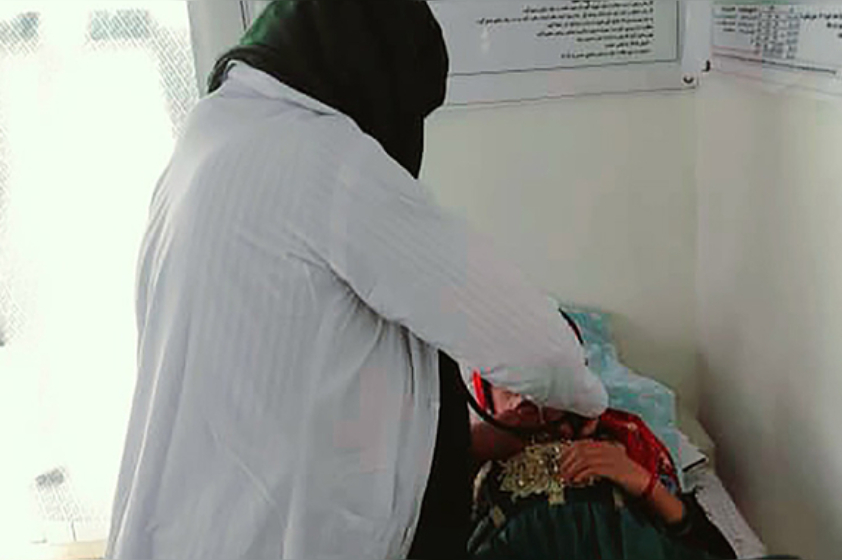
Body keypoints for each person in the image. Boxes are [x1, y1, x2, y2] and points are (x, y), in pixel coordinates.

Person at [105, 2, 607, 559]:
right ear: (379, 73)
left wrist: (483, 439)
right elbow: (543, 355)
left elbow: (305, 385)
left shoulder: (206, 140)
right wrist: (585, 403)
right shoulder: (327, 160)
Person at [466, 314, 738, 560]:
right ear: (486, 393)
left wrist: (639, 481)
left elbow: (710, 548)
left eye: (543, 384)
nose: (526, 399)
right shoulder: (467, 449)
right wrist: (471, 449)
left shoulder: (620, 433)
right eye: (510, 385)